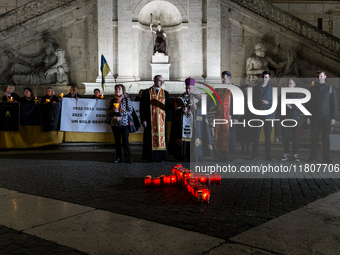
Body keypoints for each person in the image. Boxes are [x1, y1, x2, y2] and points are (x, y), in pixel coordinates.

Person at [140, 75, 174, 162]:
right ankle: (151, 156)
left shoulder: (165, 93)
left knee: (162, 138)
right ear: (154, 80)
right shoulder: (146, 92)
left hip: (162, 121)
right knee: (149, 138)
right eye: (160, 81)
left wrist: (177, 106)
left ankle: (161, 156)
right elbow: (142, 107)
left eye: (163, 81)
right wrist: (143, 119)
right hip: (149, 120)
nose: (162, 83)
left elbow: (169, 106)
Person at [306, 71, 338, 163]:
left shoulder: (331, 88)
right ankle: (313, 156)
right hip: (314, 118)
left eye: (321, 76)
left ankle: (326, 158)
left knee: (325, 139)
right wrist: (308, 116)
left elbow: (334, 104)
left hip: (326, 118)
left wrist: (333, 117)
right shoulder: (312, 89)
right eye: (318, 76)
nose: (319, 78)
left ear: (325, 76)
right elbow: (308, 104)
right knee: (314, 138)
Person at [215, 71, 240, 162]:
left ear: (229, 79)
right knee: (220, 136)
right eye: (222, 78)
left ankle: (230, 157)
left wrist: (237, 117)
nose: (222, 80)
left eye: (224, 78)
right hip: (220, 118)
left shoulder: (235, 88)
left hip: (231, 117)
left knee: (230, 137)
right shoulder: (218, 89)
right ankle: (221, 156)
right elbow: (213, 101)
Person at [251, 71, 276, 161]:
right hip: (257, 114)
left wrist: (268, 102)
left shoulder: (273, 89)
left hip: (268, 115)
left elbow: (276, 102)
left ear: (269, 78)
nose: (264, 79)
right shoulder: (255, 88)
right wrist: (259, 101)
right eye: (263, 77)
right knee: (255, 136)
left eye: (266, 77)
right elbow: (251, 100)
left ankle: (268, 156)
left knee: (268, 137)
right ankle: (254, 155)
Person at [106, 84, 133, 163]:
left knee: (125, 141)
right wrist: (114, 111)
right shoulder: (112, 100)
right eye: (116, 89)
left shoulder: (127, 100)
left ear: (123, 90)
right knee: (117, 142)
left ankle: (127, 158)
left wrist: (121, 113)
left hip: (124, 124)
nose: (117, 90)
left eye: (119, 89)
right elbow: (108, 112)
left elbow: (130, 111)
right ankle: (118, 157)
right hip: (115, 124)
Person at [279, 79, 303, 162]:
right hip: (284, 118)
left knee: (295, 137)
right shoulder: (282, 94)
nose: (289, 85)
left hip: (294, 118)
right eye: (288, 84)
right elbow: (278, 106)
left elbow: (301, 106)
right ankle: (286, 153)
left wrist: (292, 106)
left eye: (290, 83)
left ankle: (295, 154)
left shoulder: (299, 95)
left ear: (294, 84)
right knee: (285, 137)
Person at [236, 83, 253, 154]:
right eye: (245, 90)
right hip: (241, 117)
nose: (246, 92)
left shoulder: (252, 98)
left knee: (249, 134)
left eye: (248, 90)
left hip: (249, 117)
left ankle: (247, 148)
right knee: (241, 134)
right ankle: (243, 148)